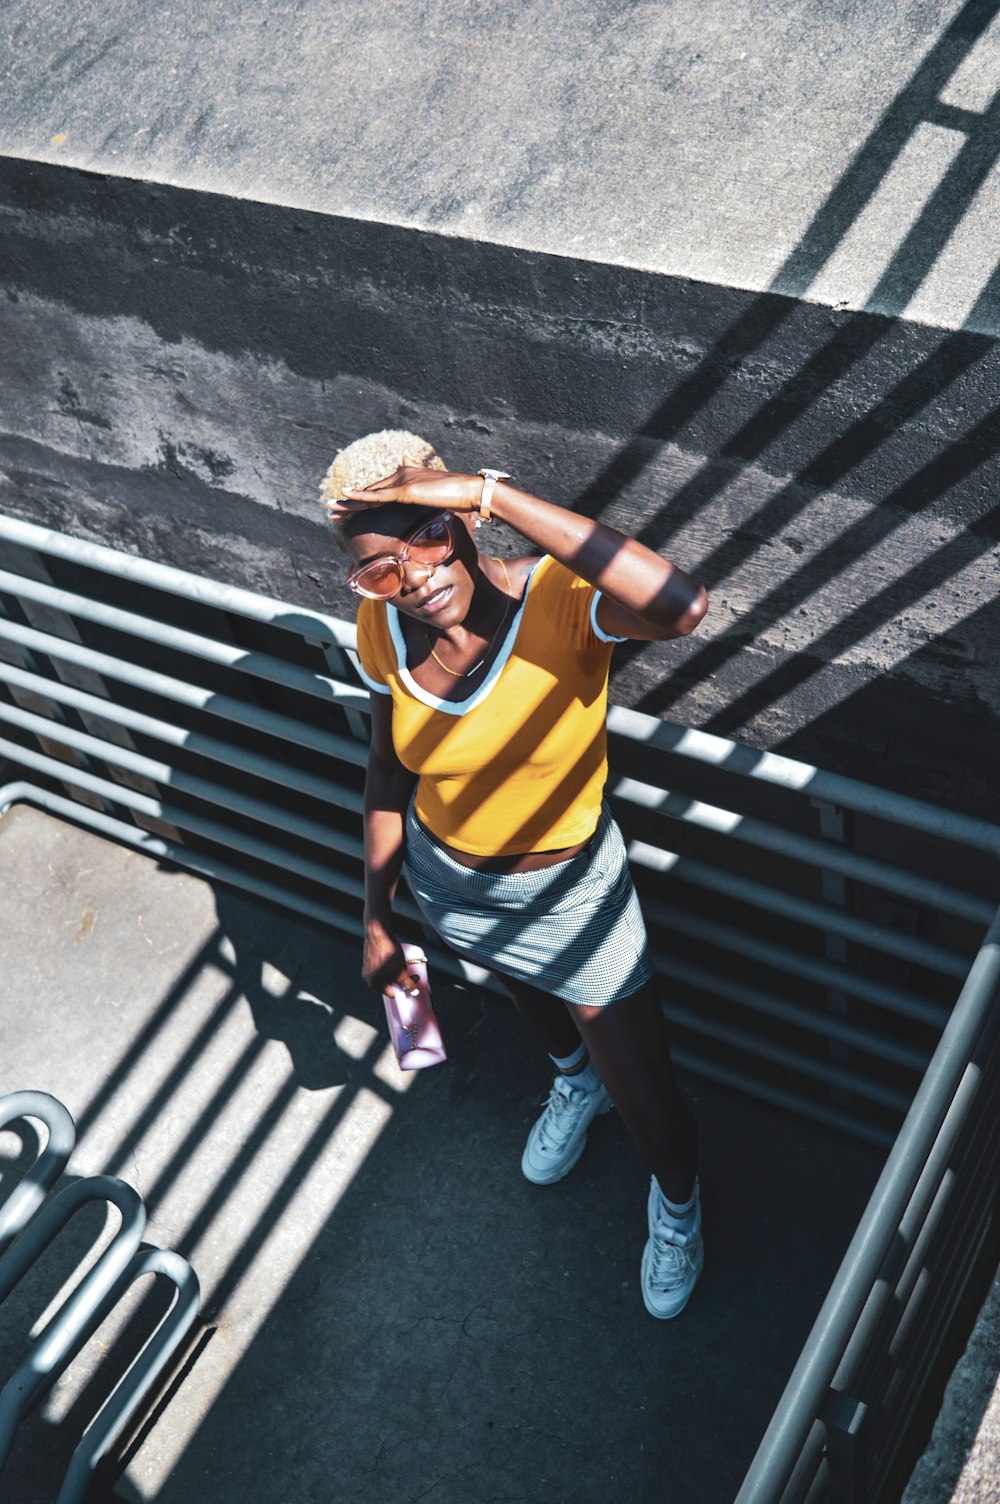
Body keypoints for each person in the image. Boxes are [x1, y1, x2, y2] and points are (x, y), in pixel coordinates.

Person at [322, 431, 710, 1319]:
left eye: (426, 534)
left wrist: (484, 491)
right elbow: (390, 771)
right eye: (380, 566)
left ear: (459, 517)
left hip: (574, 899)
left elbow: (683, 605)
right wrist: (377, 917)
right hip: (451, 883)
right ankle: (571, 1084)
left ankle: (679, 1210)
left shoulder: (564, 600)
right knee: (531, 1002)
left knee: (650, 1098)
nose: (413, 576)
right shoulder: (381, 626)